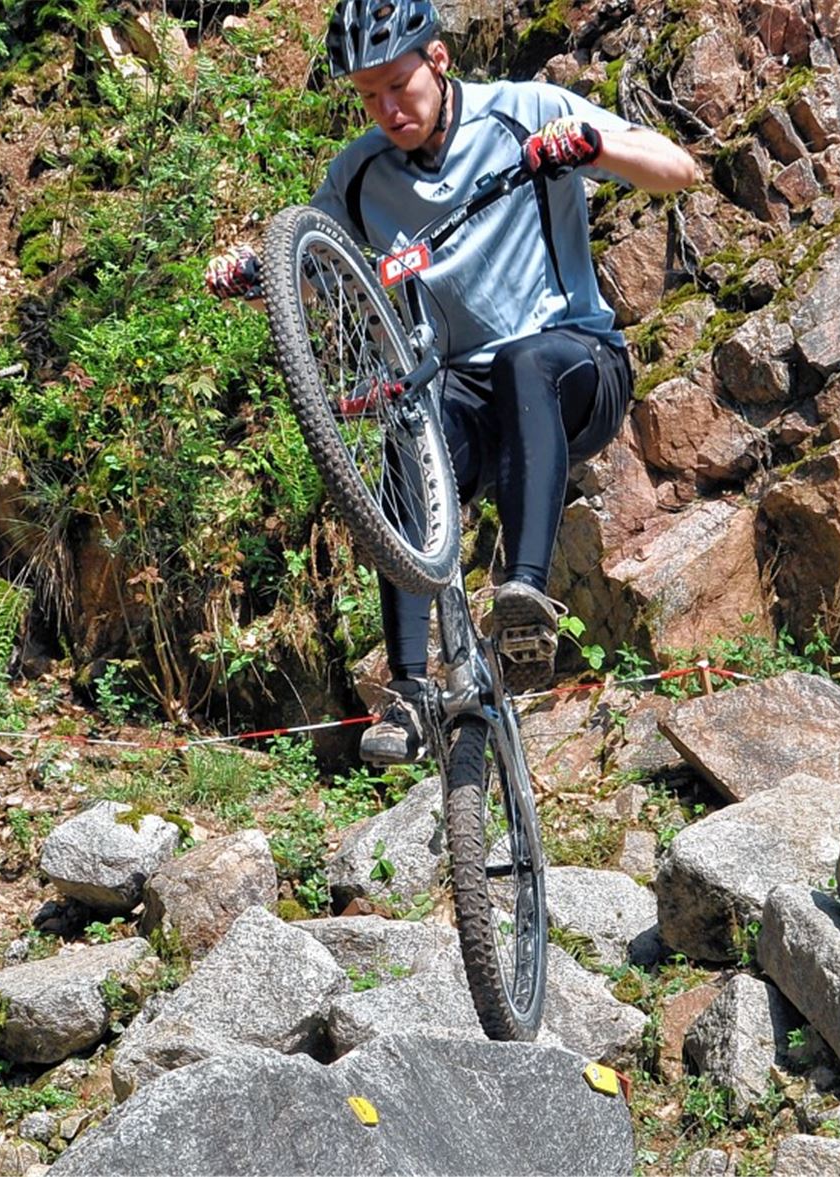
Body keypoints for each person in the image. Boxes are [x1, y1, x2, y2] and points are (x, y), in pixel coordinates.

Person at [207, 0, 695, 765]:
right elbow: (314, 268)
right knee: (406, 418)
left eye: (399, 86)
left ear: (437, 60)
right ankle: (408, 688)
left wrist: (591, 141)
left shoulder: (521, 112)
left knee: (520, 360)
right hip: (466, 399)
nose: (387, 109)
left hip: (575, 369)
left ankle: (525, 597)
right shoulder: (362, 171)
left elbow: (676, 169)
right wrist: (255, 269)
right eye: (369, 97)